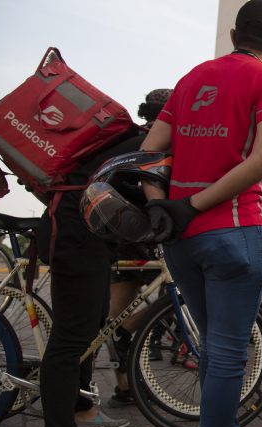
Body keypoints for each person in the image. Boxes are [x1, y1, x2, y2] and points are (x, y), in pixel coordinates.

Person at [139, 1, 262, 427]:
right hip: (234, 232)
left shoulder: (192, 78)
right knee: (226, 355)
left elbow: (149, 152)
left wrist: (159, 204)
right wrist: (196, 205)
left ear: (233, 35)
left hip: (181, 238)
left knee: (211, 349)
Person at [37, 126, 146, 427]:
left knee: (89, 331)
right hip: (76, 239)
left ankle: (81, 411)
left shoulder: (133, 142)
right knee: (69, 342)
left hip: (87, 240)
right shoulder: (146, 148)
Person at [107, 89, 172, 407]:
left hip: (123, 240)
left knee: (113, 321)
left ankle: (124, 386)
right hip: (147, 240)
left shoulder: (131, 141)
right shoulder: (162, 144)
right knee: (172, 299)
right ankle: (122, 380)